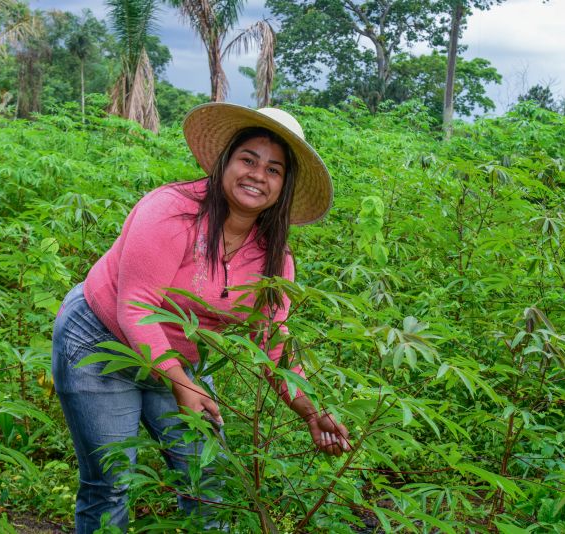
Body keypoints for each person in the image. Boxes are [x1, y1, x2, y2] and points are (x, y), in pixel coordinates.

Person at [51, 103, 351, 533]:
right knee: (110, 483)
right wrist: (182, 383)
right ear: (226, 161)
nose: (257, 175)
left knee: (210, 484)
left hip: (178, 360)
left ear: (283, 186)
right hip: (100, 341)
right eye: (248, 160)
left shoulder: (275, 258)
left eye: (273, 170)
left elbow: (272, 342)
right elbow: (136, 306)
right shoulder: (171, 212)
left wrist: (309, 410)